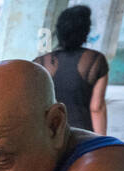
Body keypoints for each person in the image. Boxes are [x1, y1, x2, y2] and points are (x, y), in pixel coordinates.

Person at [34, 5, 108, 134]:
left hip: (47, 135)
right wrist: (101, 142)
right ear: (85, 31)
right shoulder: (96, 60)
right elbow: (97, 107)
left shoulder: (39, 62)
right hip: (82, 134)